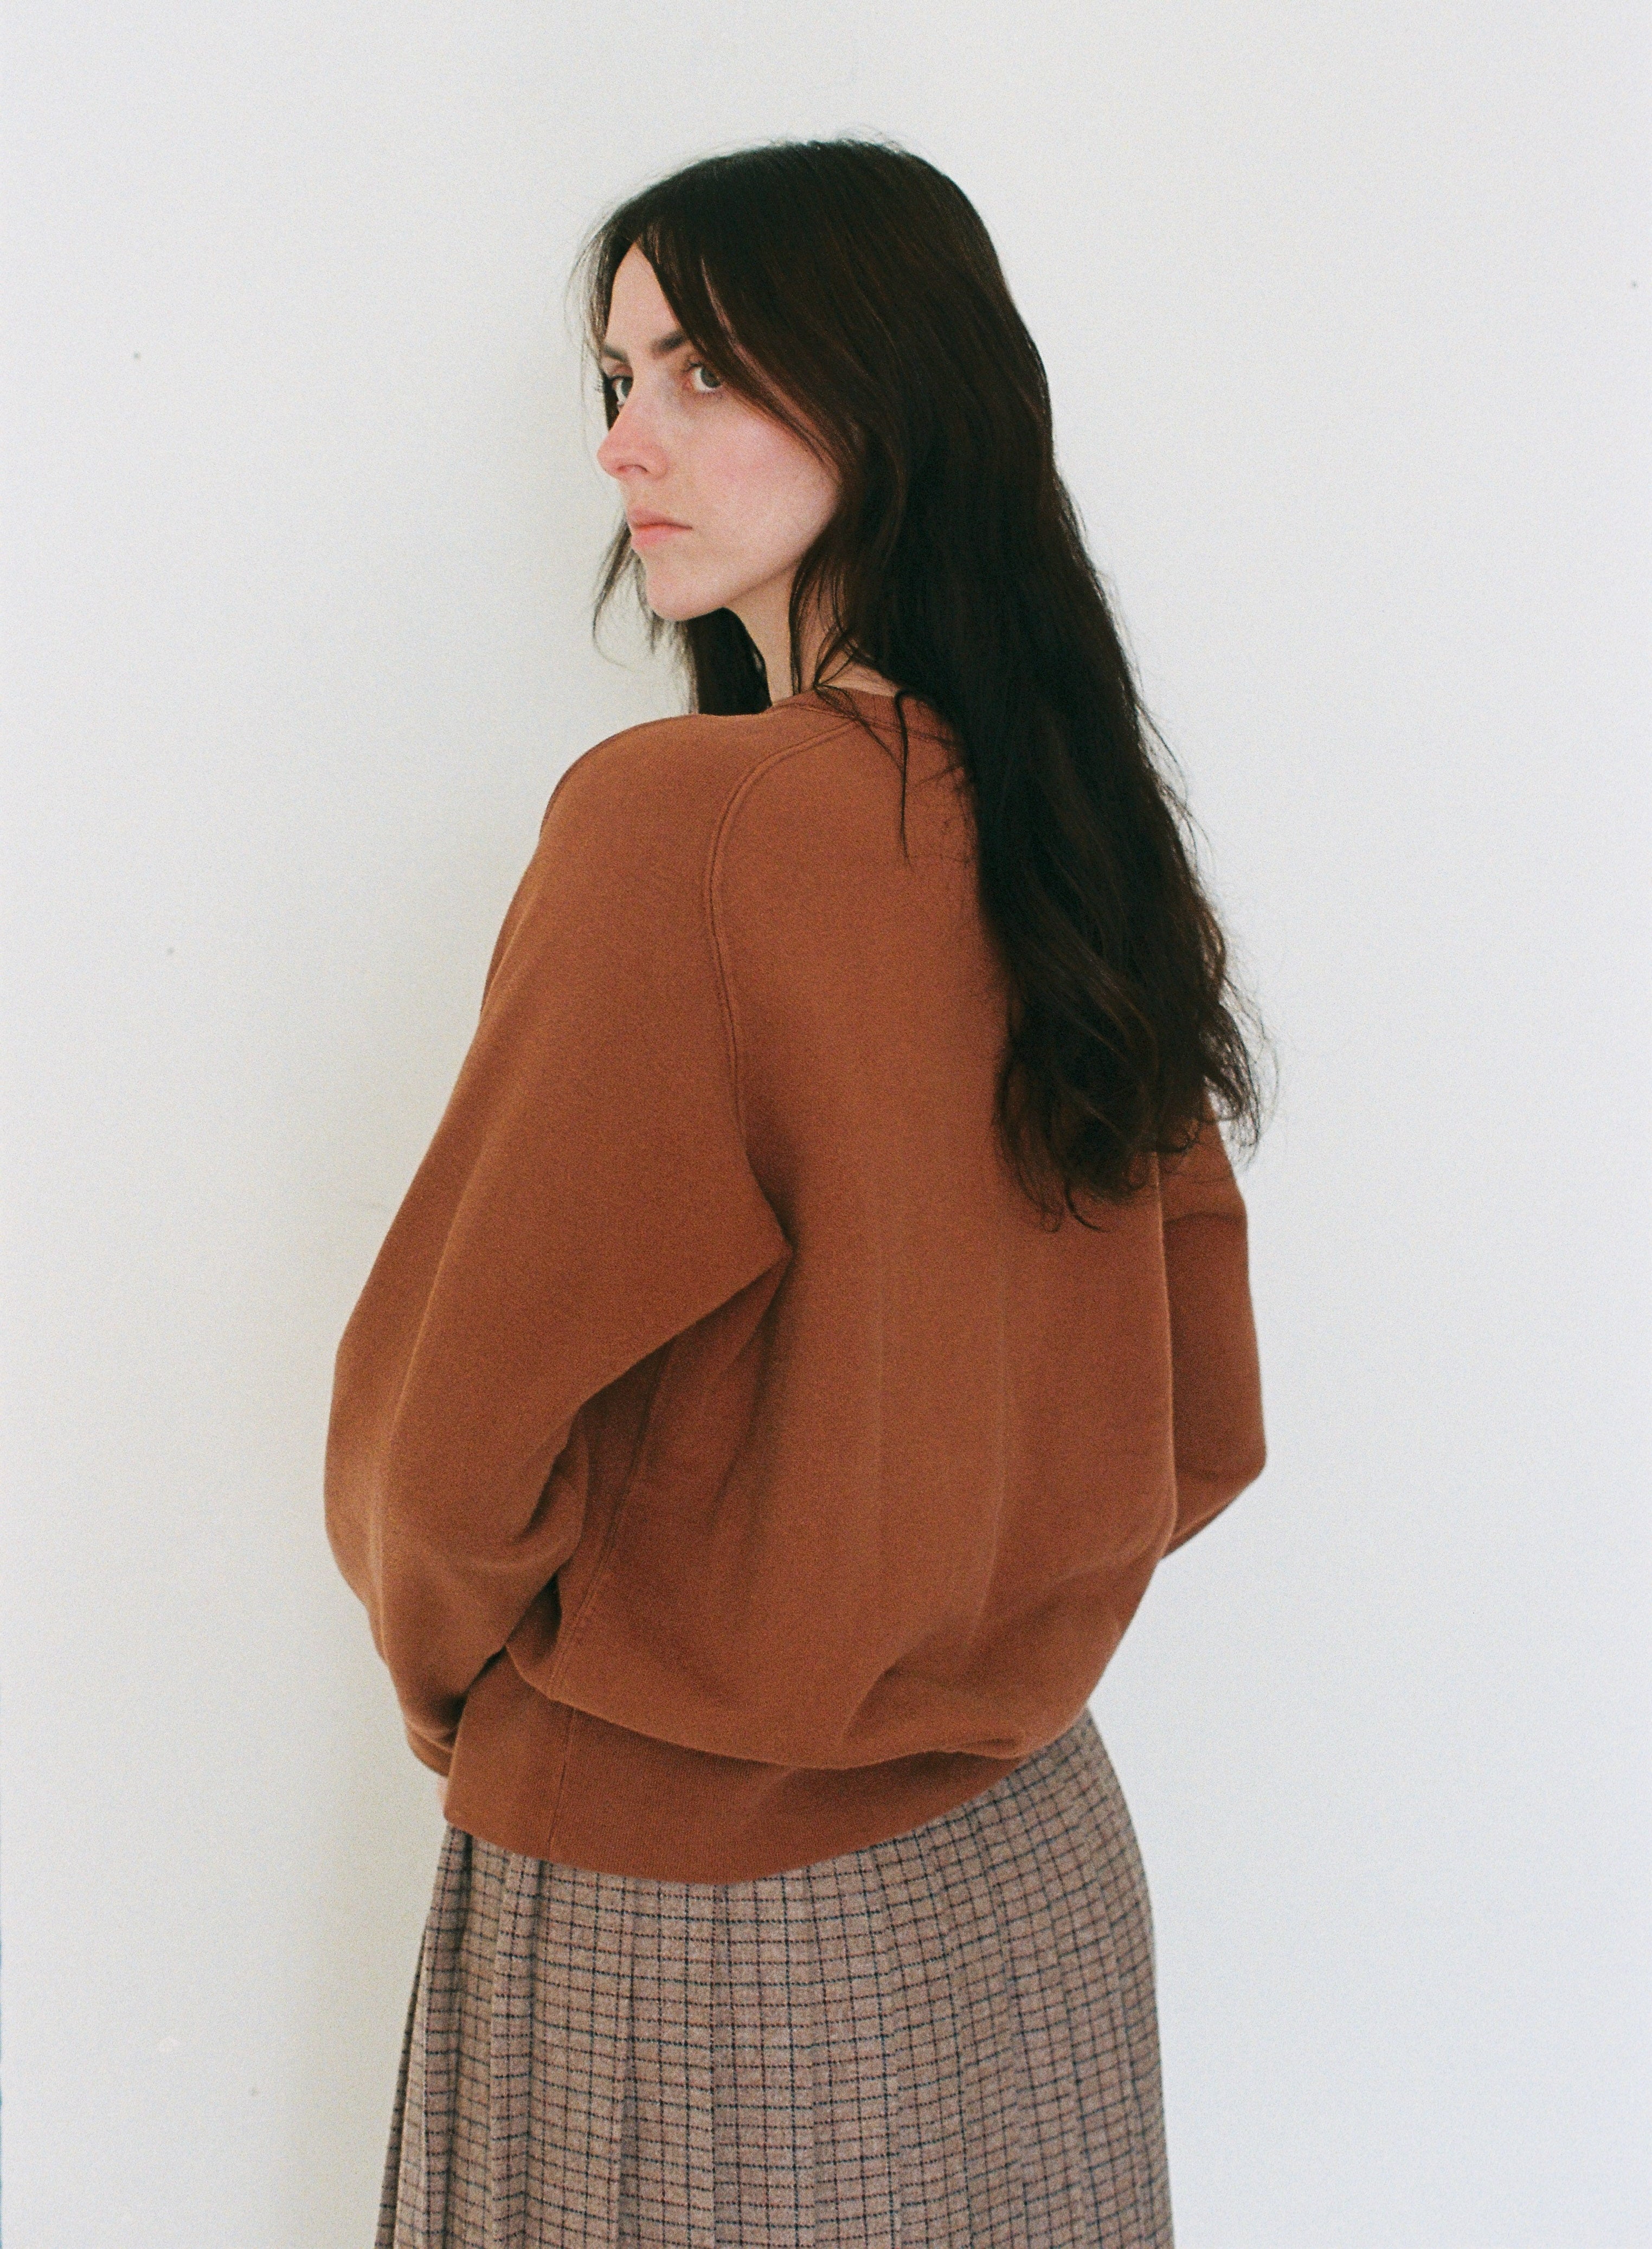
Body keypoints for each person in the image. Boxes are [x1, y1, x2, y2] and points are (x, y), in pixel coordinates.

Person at [326, 133, 1270, 2249]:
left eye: (700, 374)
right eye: (613, 377)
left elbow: (436, 1454)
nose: (623, 443)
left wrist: (502, 1702)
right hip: (1036, 1885)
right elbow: (1205, 1412)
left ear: (889, 392)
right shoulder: (1079, 831)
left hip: (696, 1926)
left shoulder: (684, 827)